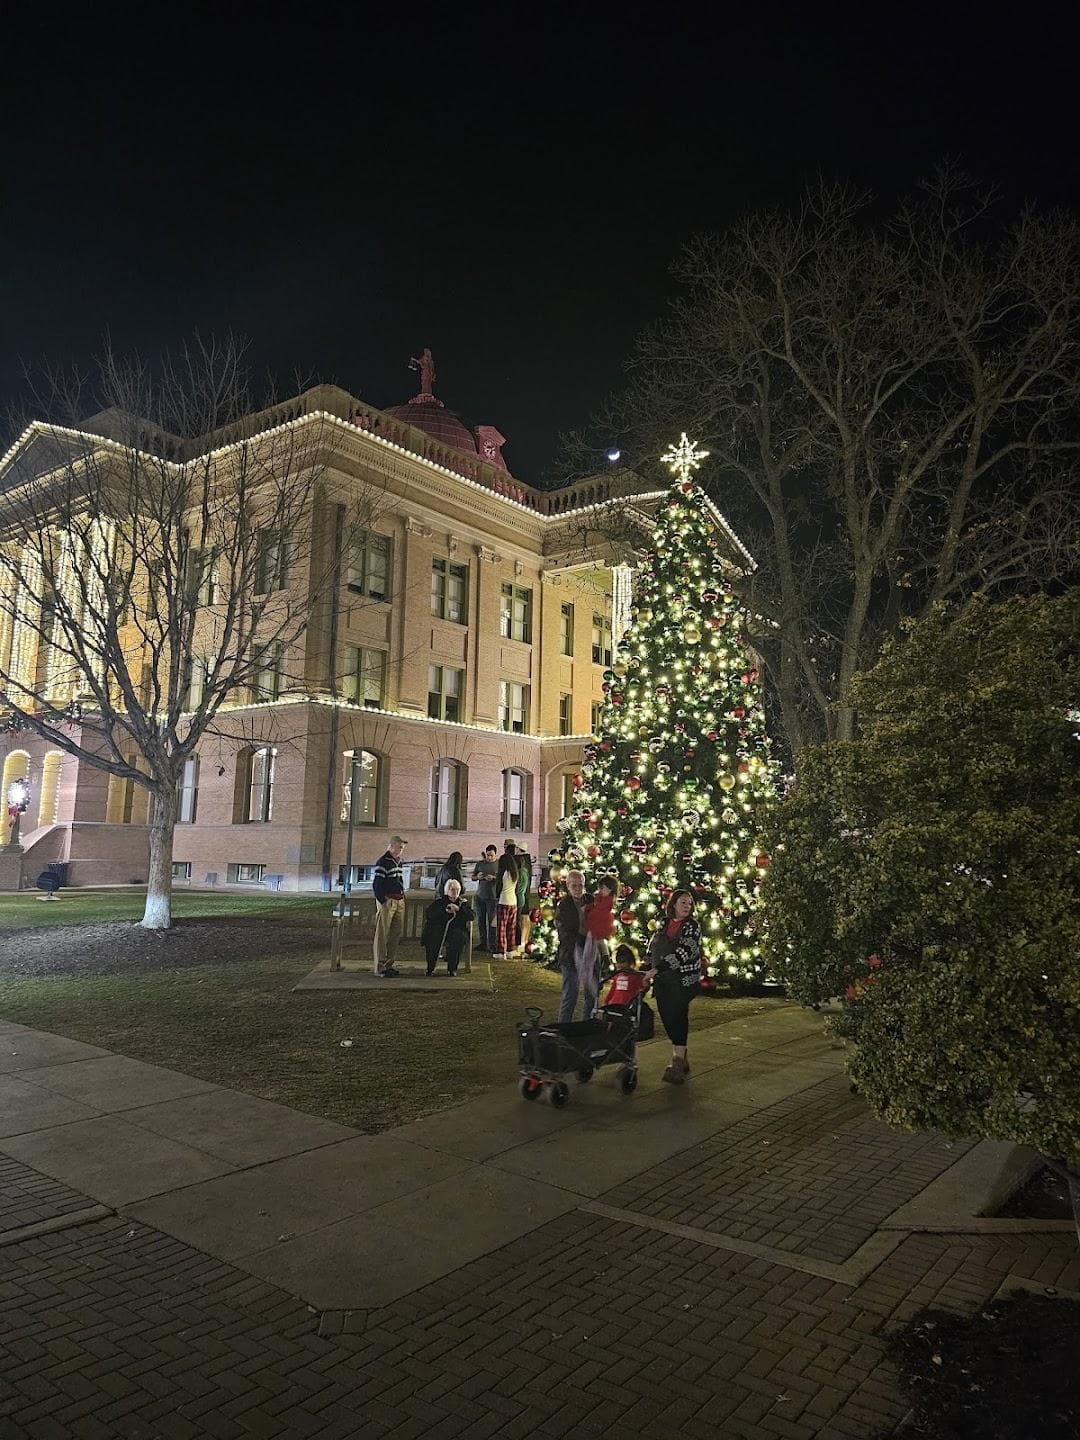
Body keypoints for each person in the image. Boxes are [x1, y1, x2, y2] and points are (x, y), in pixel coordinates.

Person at [644, 890, 703, 1084]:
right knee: (666, 1015)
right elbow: (653, 945)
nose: (686, 906)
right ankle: (682, 1054)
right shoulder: (664, 923)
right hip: (663, 980)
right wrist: (647, 965)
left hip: (682, 979)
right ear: (674, 904)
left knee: (677, 1015)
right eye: (683, 902)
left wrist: (658, 968)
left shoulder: (692, 927)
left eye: (689, 903)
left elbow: (683, 952)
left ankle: (677, 1059)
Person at [556, 870, 590, 1022]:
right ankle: (563, 1029)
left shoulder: (590, 901)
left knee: (592, 996)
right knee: (571, 994)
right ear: (568, 886)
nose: (577, 888)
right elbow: (565, 932)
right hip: (571, 956)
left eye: (580, 885)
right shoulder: (564, 905)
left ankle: (588, 1026)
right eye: (574, 885)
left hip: (590, 955)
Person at [372, 835, 408, 977]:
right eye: (399, 847)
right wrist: (383, 900)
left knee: (394, 933)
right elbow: (377, 884)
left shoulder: (398, 862)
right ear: (392, 846)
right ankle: (380, 966)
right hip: (388, 901)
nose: (401, 850)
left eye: (402, 848)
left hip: (398, 900)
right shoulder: (383, 862)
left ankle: (389, 964)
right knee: (382, 934)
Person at [421, 878, 473, 976]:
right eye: (452, 889)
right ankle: (431, 968)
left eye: (457, 890)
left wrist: (459, 910)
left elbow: (472, 916)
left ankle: (452, 968)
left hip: (456, 930)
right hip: (440, 929)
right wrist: (444, 910)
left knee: (458, 938)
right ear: (447, 891)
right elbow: (429, 914)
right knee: (433, 937)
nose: (455, 892)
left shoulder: (463, 903)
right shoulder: (440, 902)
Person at [602, 943, 650, 1009]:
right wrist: (607, 1001)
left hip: (628, 1005)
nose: (620, 965)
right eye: (618, 962)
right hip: (614, 1004)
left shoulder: (636, 976)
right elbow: (613, 989)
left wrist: (646, 984)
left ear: (630, 962)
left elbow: (643, 989)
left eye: (623, 962)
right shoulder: (617, 975)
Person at [493, 841, 519, 958]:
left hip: (503, 901)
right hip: (513, 902)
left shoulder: (503, 874)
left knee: (501, 928)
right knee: (511, 927)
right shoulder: (514, 874)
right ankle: (510, 950)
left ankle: (501, 951)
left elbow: (499, 888)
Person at [471, 844, 498, 952]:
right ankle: (483, 943)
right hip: (480, 896)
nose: (489, 857)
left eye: (491, 855)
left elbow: (502, 879)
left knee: (491, 921)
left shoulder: (499, 864)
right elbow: (473, 877)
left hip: (492, 897)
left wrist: (494, 878)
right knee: (481, 921)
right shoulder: (480, 864)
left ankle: (492, 944)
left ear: (495, 854)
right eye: (487, 855)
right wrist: (477, 877)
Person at [513, 846, 533, 954]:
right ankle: (523, 940)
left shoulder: (521, 871)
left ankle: (520, 942)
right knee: (524, 918)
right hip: (523, 897)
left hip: (520, 898)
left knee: (520, 920)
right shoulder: (526, 868)